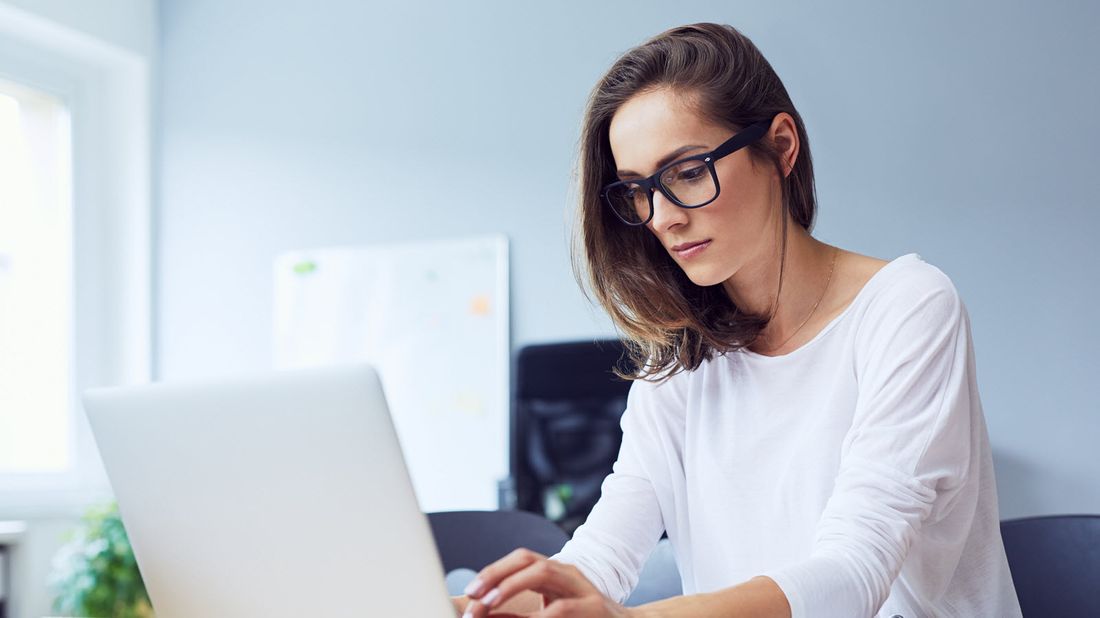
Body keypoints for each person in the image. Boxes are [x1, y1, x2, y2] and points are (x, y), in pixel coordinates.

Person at [456, 22, 1022, 617]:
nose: (662, 218)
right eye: (638, 190)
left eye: (688, 172)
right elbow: (600, 559)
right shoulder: (680, 354)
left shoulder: (908, 307)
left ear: (780, 146)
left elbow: (853, 575)